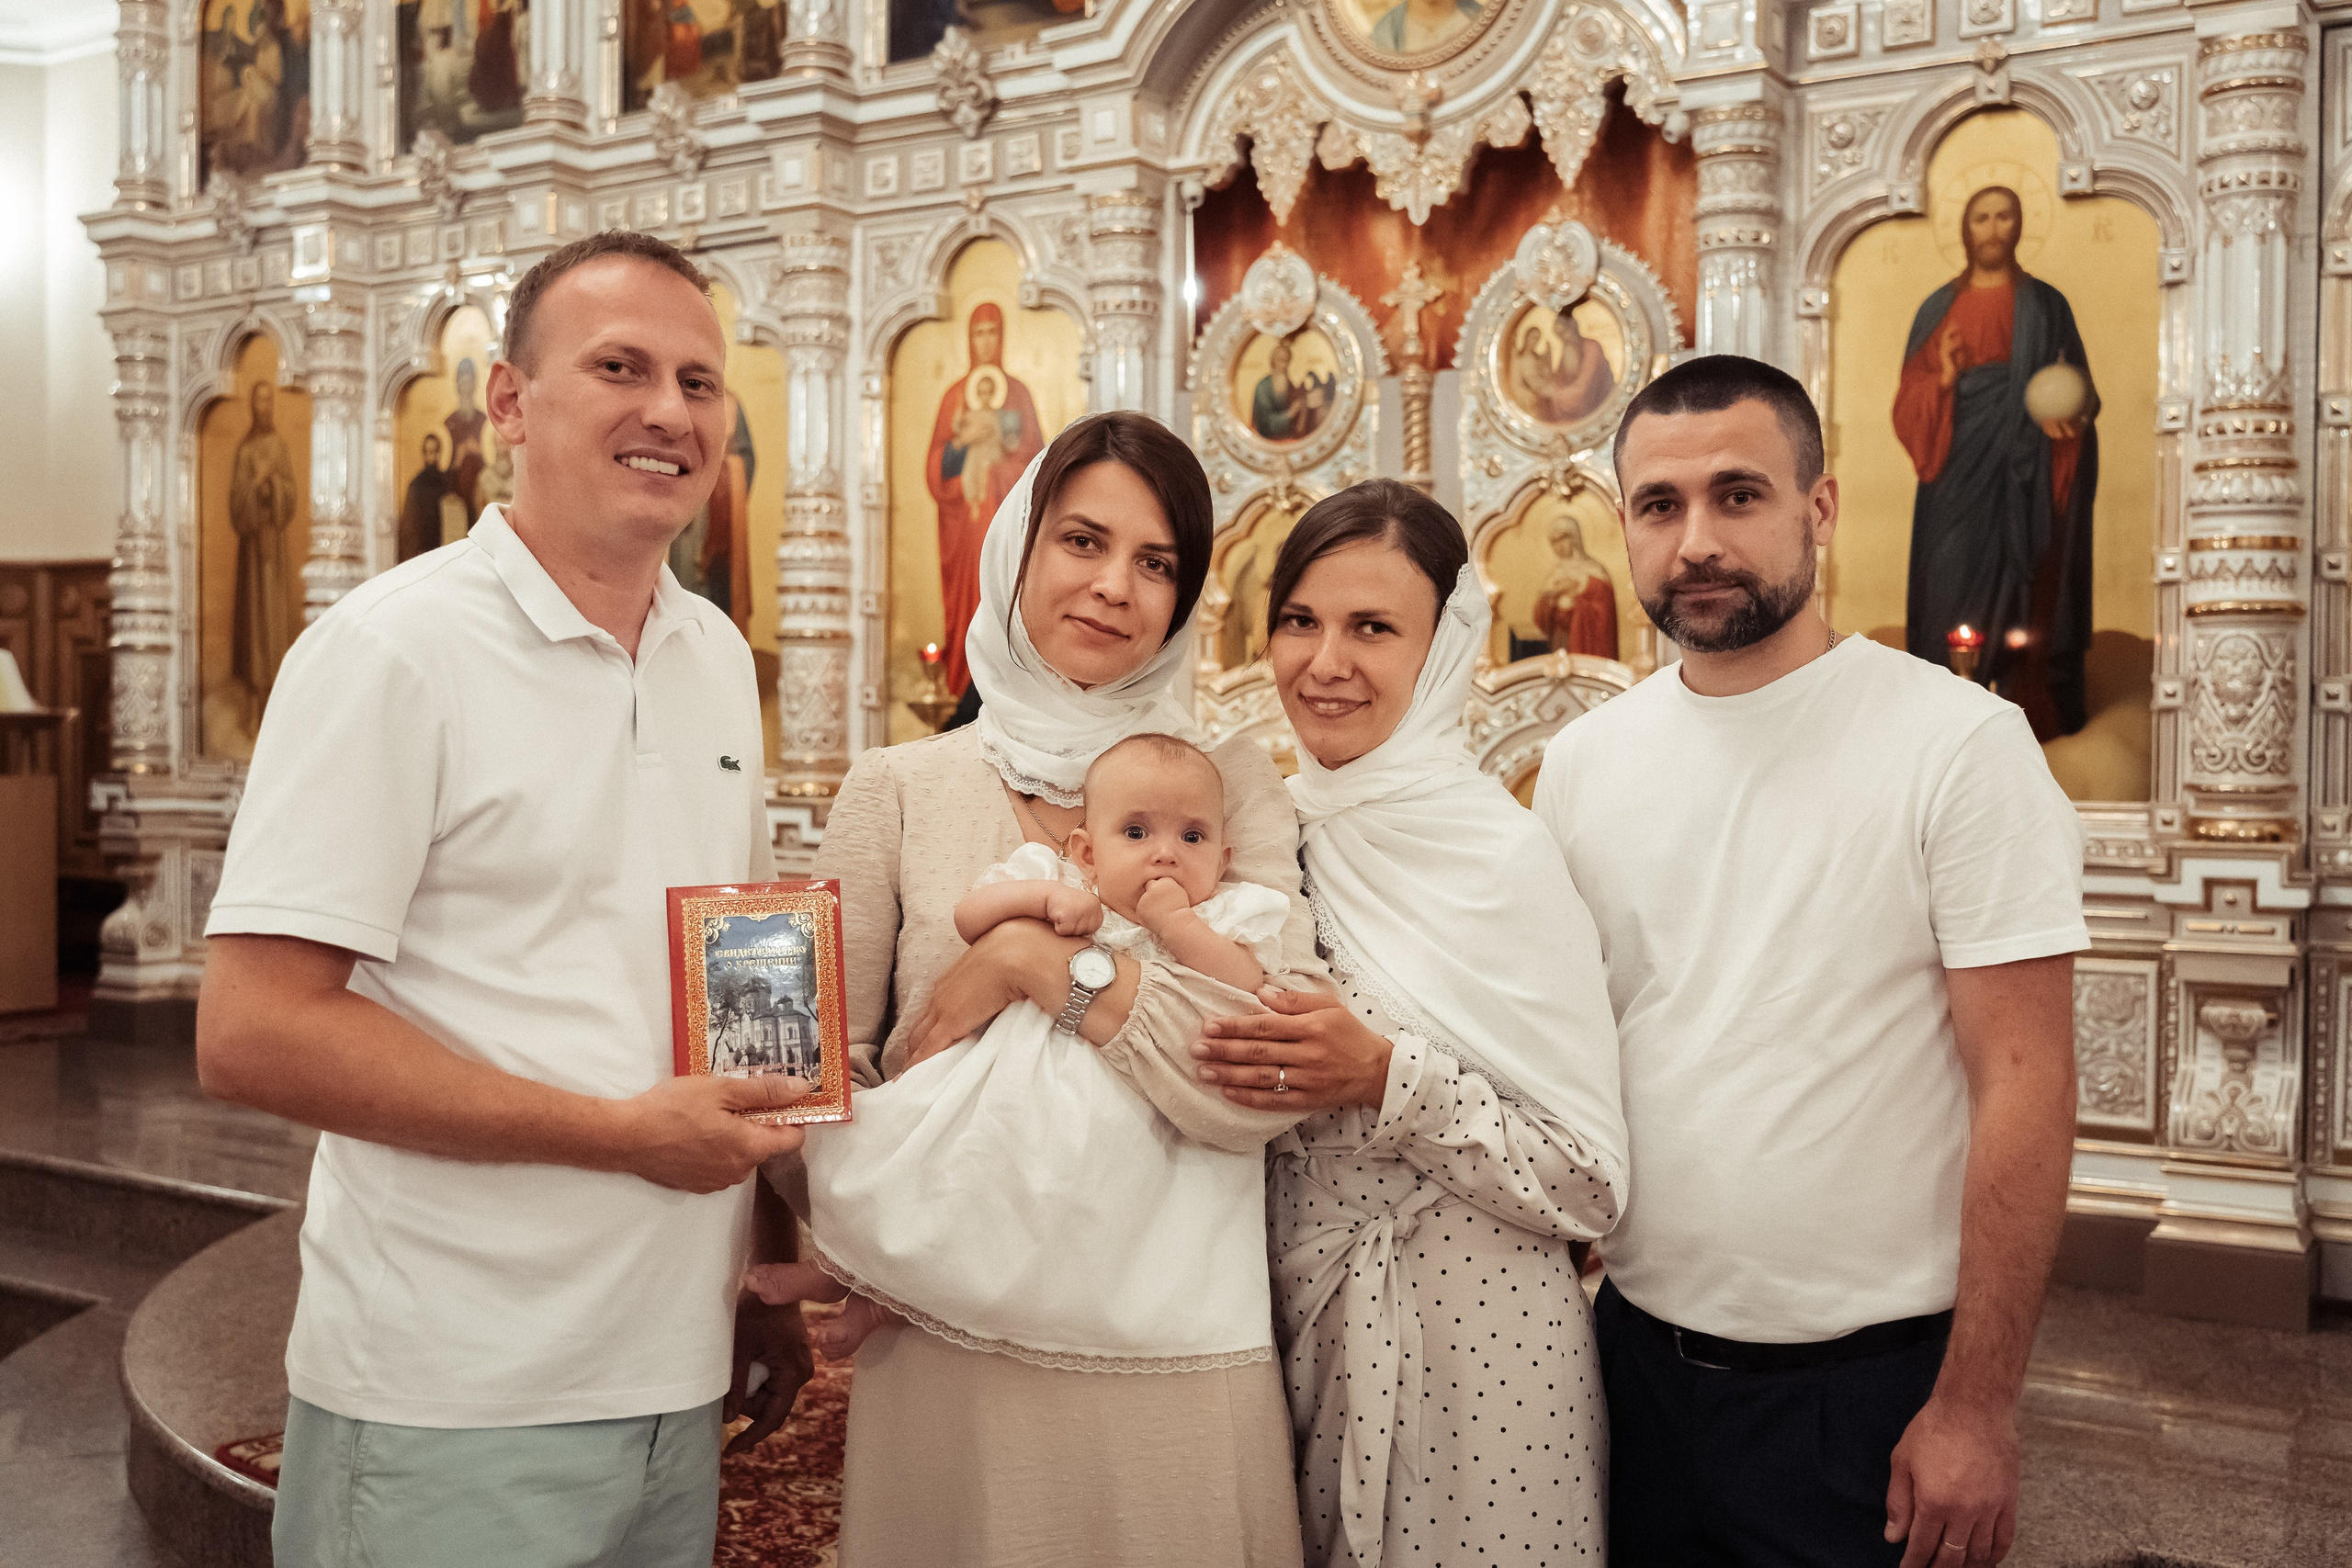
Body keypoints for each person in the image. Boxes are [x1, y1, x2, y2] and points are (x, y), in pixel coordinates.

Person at [196, 231, 813, 1568]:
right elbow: (253, 1028)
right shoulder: (390, 651)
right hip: (454, 1390)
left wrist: (755, 1264)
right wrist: (616, 1132)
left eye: (702, 383)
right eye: (620, 367)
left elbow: (712, 976)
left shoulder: (711, 652)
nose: (670, 411)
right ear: (510, 403)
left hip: (671, 1365)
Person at [1536, 355, 2085, 1567]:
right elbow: (1582, 1036)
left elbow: (2027, 1083)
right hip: (1632, 1363)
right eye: (1659, 505)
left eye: (1739, 495)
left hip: (1865, 1391)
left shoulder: (1958, 745)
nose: (1697, 541)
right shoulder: (1586, 763)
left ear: (1817, 508)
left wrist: (1978, 1403)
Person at [790, 411, 1317, 1565]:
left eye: (1156, 562)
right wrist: (871, 1240)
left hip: (1172, 1325)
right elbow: (819, 1074)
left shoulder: (1230, 792)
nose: (1115, 587)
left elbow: (1263, 1066)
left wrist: (1033, 965)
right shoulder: (900, 788)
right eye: (1080, 541)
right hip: (948, 1333)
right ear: (1015, 549)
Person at [1190, 478, 1629, 1567]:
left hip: (1476, 1353)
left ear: (1443, 653)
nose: (1323, 662)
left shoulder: (1497, 857)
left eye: (1372, 628)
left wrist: (1384, 1075)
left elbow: (1588, 1181)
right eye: (1300, 620)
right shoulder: (1257, 839)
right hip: (1281, 1330)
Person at [746, 731, 1290, 1368]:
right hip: (1008, 1092)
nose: (1165, 855)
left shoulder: (1227, 912)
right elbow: (971, 916)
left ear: (1223, 859)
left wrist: (1177, 925)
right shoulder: (1052, 874)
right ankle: (861, 1280)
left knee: (1071, 1210)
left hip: (1132, 1113)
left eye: (1191, 838)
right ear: (1086, 850)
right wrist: (1042, 902)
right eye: (1137, 833)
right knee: (941, 1176)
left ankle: (887, 1293)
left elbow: (1249, 986)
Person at [1894, 185, 2098, 739]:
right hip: (1956, 473)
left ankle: (2020, 709)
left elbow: (2077, 389)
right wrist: (1942, 376)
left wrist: (2067, 425)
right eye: (1980, 217)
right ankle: (1939, 719)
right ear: (1965, 229)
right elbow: (1909, 400)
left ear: (2019, 225)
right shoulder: (1939, 307)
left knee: (2023, 583)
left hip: (2026, 467)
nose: (1992, 228)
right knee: (1948, 574)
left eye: (2003, 216)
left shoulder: (2047, 304)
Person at [923, 302, 1046, 696]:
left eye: (993, 331)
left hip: (1005, 520)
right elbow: (937, 463)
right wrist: (963, 450)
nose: (986, 341)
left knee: (1003, 601)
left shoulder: (1019, 394)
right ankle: (959, 688)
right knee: (964, 611)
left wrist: (997, 468)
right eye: (979, 332)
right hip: (964, 524)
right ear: (969, 338)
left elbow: (1037, 464)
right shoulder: (954, 398)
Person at [228, 378, 299, 720]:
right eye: (258, 401)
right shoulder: (244, 451)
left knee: (274, 621)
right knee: (255, 621)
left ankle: (277, 704)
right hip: (253, 552)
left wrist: (274, 485)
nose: (264, 407)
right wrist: (256, 483)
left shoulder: (280, 446)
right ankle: (255, 705)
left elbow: (290, 494)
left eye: (269, 401)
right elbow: (236, 506)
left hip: (275, 548)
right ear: (251, 406)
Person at [398, 432, 448, 562]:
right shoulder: (416, 485)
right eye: (429, 452)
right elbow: (410, 529)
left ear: (440, 452)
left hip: (445, 552)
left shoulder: (447, 483)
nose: (432, 456)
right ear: (424, 453)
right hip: (423, 555)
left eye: (435, 451)